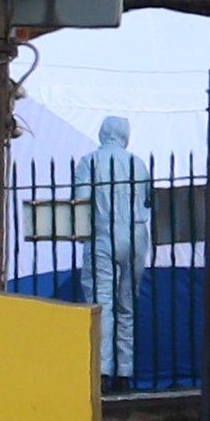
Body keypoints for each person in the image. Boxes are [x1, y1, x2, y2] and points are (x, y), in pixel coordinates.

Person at [74, 116, 151, 393]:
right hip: (135, 234)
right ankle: (125, 372)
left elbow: (81, 200)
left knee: (102, 303)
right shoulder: (138, 163)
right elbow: (147, 199)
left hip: (101, 233)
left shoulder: (88, 162)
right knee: (127, 304)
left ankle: (104, 370)